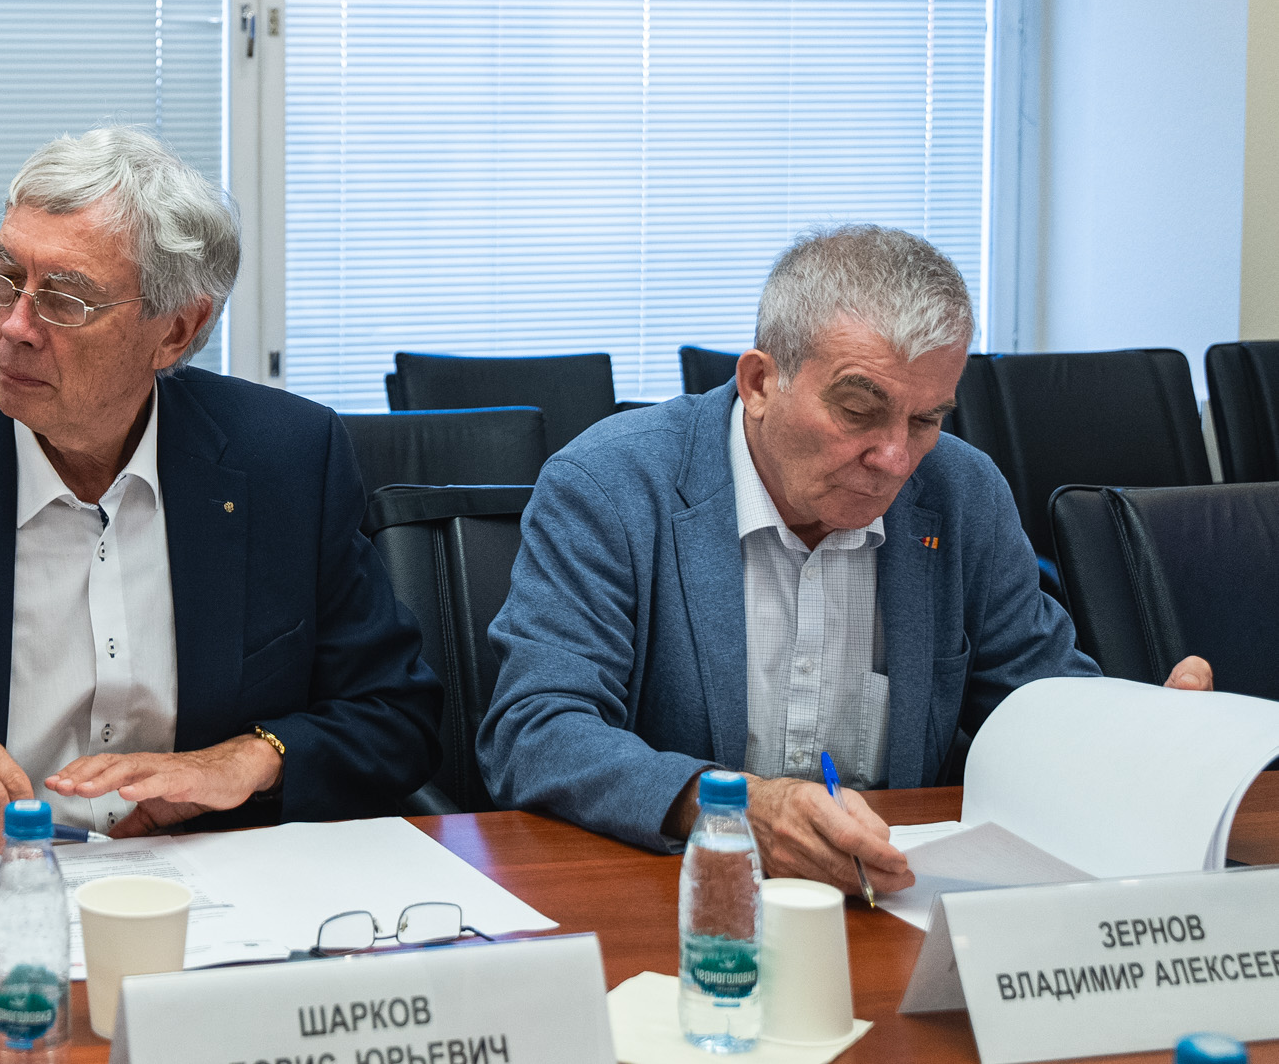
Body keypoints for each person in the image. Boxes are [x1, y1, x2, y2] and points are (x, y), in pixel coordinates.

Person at [0, 129, 443, 858]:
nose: (15, 325)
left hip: (210, 886)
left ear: (178, 330)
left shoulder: (287, 462)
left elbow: (396, 716)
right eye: (8, 277)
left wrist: (253, 759)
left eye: (65, 299)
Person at [479, 224, 1212, 891]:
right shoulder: (610, 487)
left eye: (924, 420)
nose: (895, 458)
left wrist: (1144, 739)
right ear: (760, 382)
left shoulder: (960, 493)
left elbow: (1037, 699)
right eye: (859, 411)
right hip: (676, 896)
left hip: (888, 894)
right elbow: (536, 732)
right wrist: (738, 808)